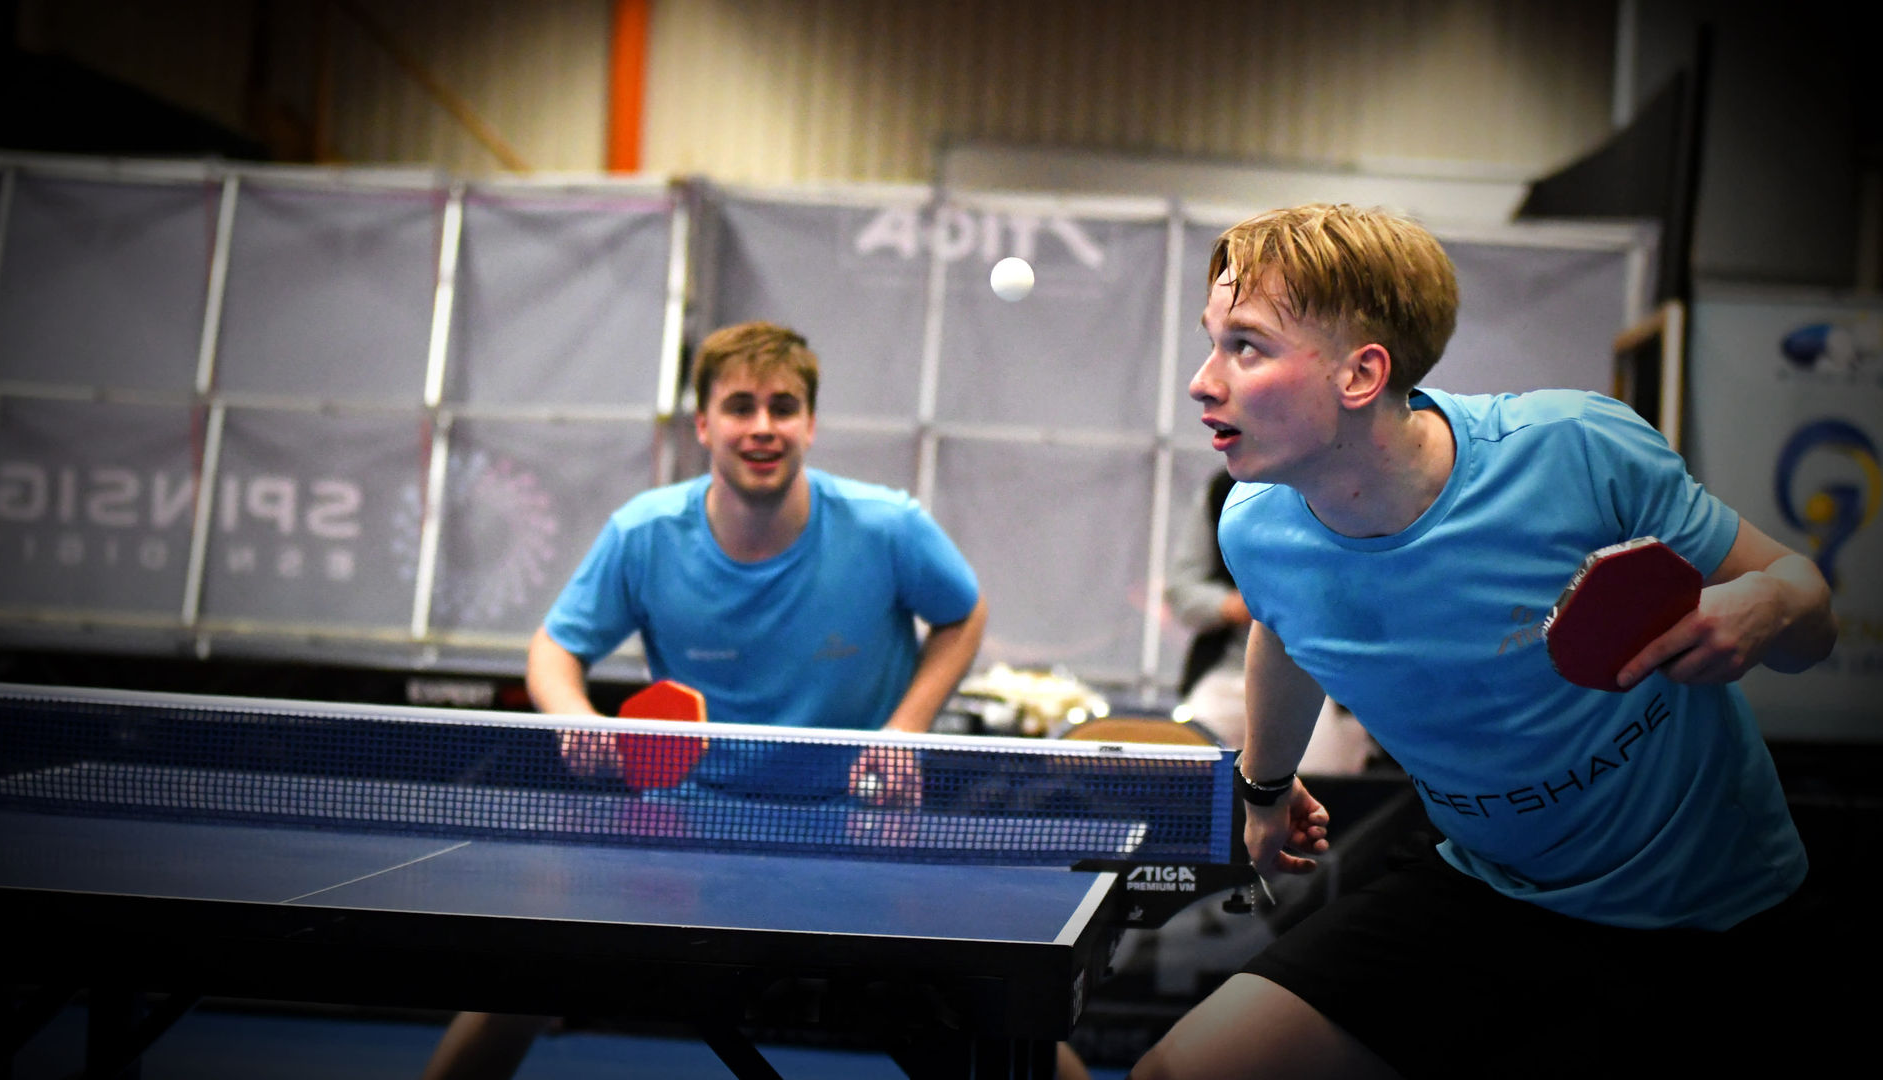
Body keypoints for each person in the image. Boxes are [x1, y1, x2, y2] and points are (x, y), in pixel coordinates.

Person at [1126, 203, 1839, 1079]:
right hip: (1491, 890)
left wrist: (1769, 604)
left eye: (1246, 346)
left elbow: (1810, 617)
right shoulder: (1255, 525)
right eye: (1213, 342)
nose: (1202, 382)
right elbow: (1286, 627)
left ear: (1362, 374)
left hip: (1719, 914)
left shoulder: (1576, 450)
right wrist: (1265, 788)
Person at [420, 320, 989, 1080]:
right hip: (690, 820)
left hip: (858, 820)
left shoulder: (888, 527)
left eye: (783, 407)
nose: (762, 427)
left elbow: (963, 614)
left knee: (993, 1005)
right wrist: (574, 717)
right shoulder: (645, 533)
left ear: (810, 424)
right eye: (740, 406)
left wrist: (905, 728)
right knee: (528, 965)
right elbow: (554, 649)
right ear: (703, 424)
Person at [1166, 467, 1374, 774]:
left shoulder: (1353, 487)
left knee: (1323, 774)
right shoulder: (1222, 491)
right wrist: (1235, 606)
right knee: (1186, 760)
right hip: (1229, 674)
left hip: (1321, 675)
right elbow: (1182, 588)